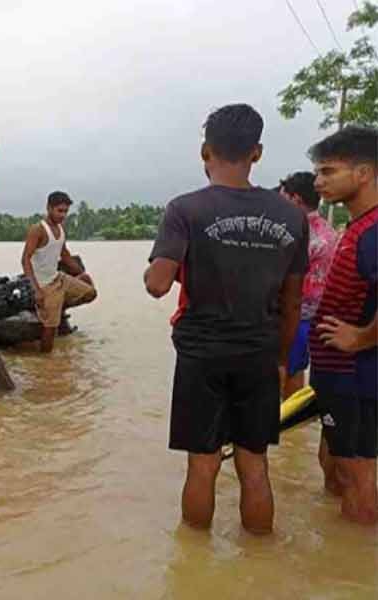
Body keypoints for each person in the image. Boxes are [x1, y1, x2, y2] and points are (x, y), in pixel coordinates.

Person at [144, 104, 309, 534]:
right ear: (256, 152)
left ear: (205, 151)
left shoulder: (185, 209)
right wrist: (280, 359)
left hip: (202, 354)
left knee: (202, 465)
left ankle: (194, 569)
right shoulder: (292, 216)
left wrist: (154, 269)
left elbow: (158, 285)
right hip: (259, 352)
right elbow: (293, 303)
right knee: (255, 465)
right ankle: (259, 561)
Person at [306, 125, 378, 525]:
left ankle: (357, 571)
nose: (319, 182)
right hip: (340, 376)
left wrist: (362, 338)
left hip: (356, 375)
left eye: (329, 172)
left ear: (364, 173)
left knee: (357, 473)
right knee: (335, 464)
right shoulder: (356, 227)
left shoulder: (373, 232)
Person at [278, 172, 338, 398]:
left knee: (283, 371)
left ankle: (279, 428)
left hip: (295, 315)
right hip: (317, 316)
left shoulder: (300, 233)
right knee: (297, 370)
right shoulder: (330, 232)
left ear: (295, 199)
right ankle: (293, 432)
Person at [21, 191, 97, 353]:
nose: (63, 215)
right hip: (44, 285)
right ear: (49, 208)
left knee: (90, 293)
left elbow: (64, 254)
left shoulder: (61, 229)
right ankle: (46, 362)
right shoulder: (38, 230)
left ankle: (57, 307)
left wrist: (80, 272)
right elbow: (25, 260)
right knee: (50, 329)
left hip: (58, 278)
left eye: (66, 211)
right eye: (59, 211)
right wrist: (36, 290)